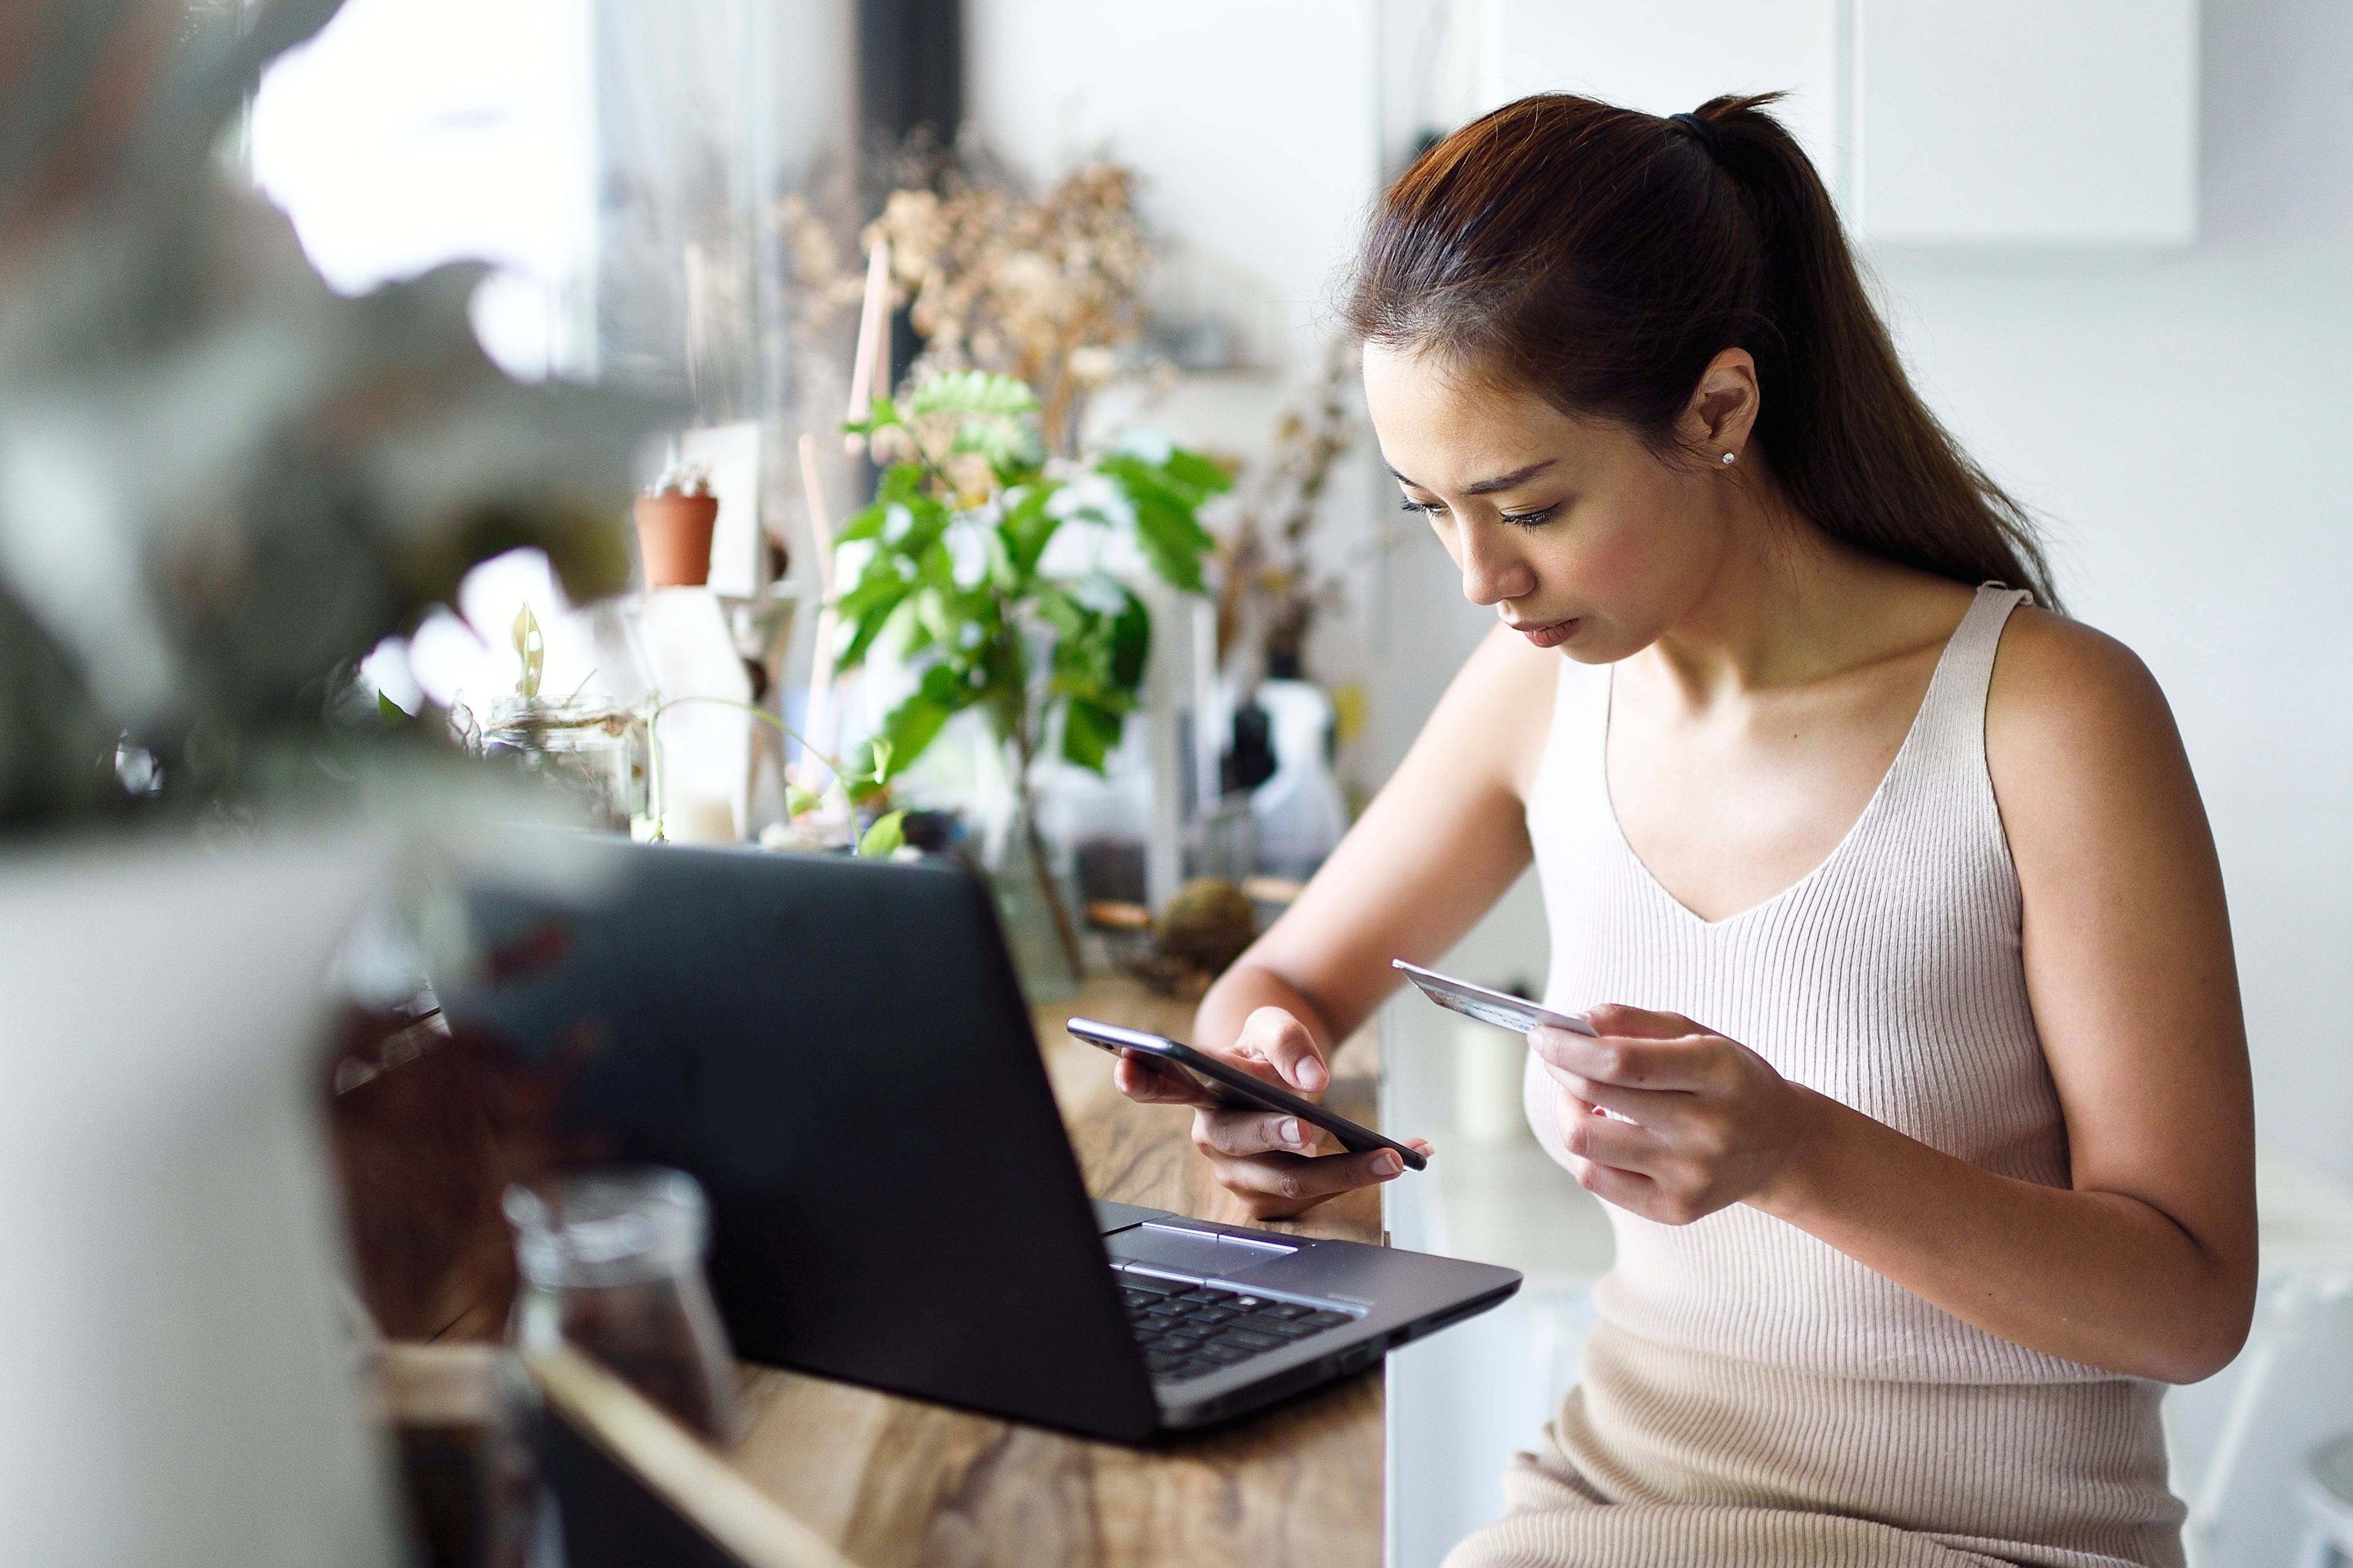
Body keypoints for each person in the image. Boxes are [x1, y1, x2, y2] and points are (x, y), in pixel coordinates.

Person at [1114, 93, 2253, 1568]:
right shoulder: (1539, 693)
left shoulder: (2048, 714)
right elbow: (1284, 986)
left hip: (1997, 1539)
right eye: (1430, 509)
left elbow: (2189, 1302)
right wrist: (1268, 1086)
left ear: (1719, 408)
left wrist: (1795, 1151)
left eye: (1528, 502)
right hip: (1619, 1502)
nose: (1481, 577)